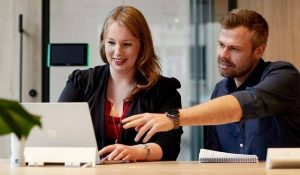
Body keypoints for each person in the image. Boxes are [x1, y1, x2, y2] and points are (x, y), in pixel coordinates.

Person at [122, 9, 300, 160]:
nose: (223, 55)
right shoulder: (220, 91)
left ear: (258, 51)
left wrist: (173, 118)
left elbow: (247, 102)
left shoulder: (284, 75)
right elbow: (213, 156)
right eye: (221, 44)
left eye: (234, 49)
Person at [58, 6, 183, 162]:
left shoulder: (163, 89)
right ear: (103, 42)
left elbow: (171, 145)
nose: (117, 52)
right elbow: (59, 132)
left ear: (142, 46)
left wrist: (136, 152)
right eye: (111, 43)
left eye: (127, 44)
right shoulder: (81, 82)